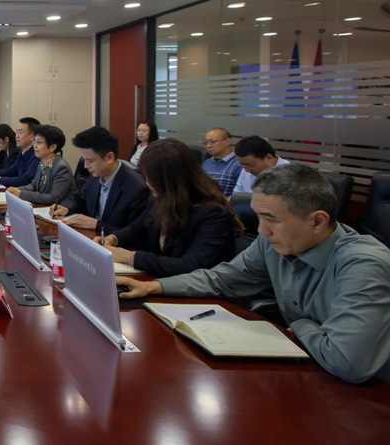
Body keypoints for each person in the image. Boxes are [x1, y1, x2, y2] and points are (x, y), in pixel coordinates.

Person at [117, 163, 390, 384]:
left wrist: (300, 325)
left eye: (271, 219)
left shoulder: (363, 265)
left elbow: (347, 361)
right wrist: (156, 287)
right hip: (310, 371)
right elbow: (223, 278)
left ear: (317, 221)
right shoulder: (274, 244)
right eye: (258, 217)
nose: (261, 230)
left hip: (369, 396)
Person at [101, 139, 242, 277]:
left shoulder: (213, 213)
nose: (147, 183)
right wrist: (114, 238)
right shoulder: (161, 198)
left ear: (170, 178)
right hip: (162, 280)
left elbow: (190, 266)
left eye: (151, 178)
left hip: (197, 288)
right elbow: (139, 228)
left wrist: (129, 257)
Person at [52, 126, 150, 235]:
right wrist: (65, 207)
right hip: (90, 237)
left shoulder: (137, 188)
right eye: (84, 160)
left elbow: (136, 233)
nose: (86, 166)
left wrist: (97, 224)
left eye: (90, 161)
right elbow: (78, 198)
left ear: (109, 157)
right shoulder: (96, 176)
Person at [6, 125, 76, 206]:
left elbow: (54, 198)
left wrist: (21, 194)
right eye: (34, 142)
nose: (34, 146)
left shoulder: (61, 168)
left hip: (55, 211)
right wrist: (17, 189)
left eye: (39, 142)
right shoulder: (42, 162)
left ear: (52, 147)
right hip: (42, 207)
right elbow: (33, 185)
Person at [0, 117, 41, 188]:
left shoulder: (36, 154)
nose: (17, 136)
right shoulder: (22, 151)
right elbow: (12, 170)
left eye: (20, 132)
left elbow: (26, 179)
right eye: (16, 132)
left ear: (32, 136)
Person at [201, 127, 242, 196]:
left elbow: (241, 193)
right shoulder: (207, 162)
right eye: (206, 142)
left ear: (227, 141)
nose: (208, 146)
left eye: (213, 142)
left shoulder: (239, 164)